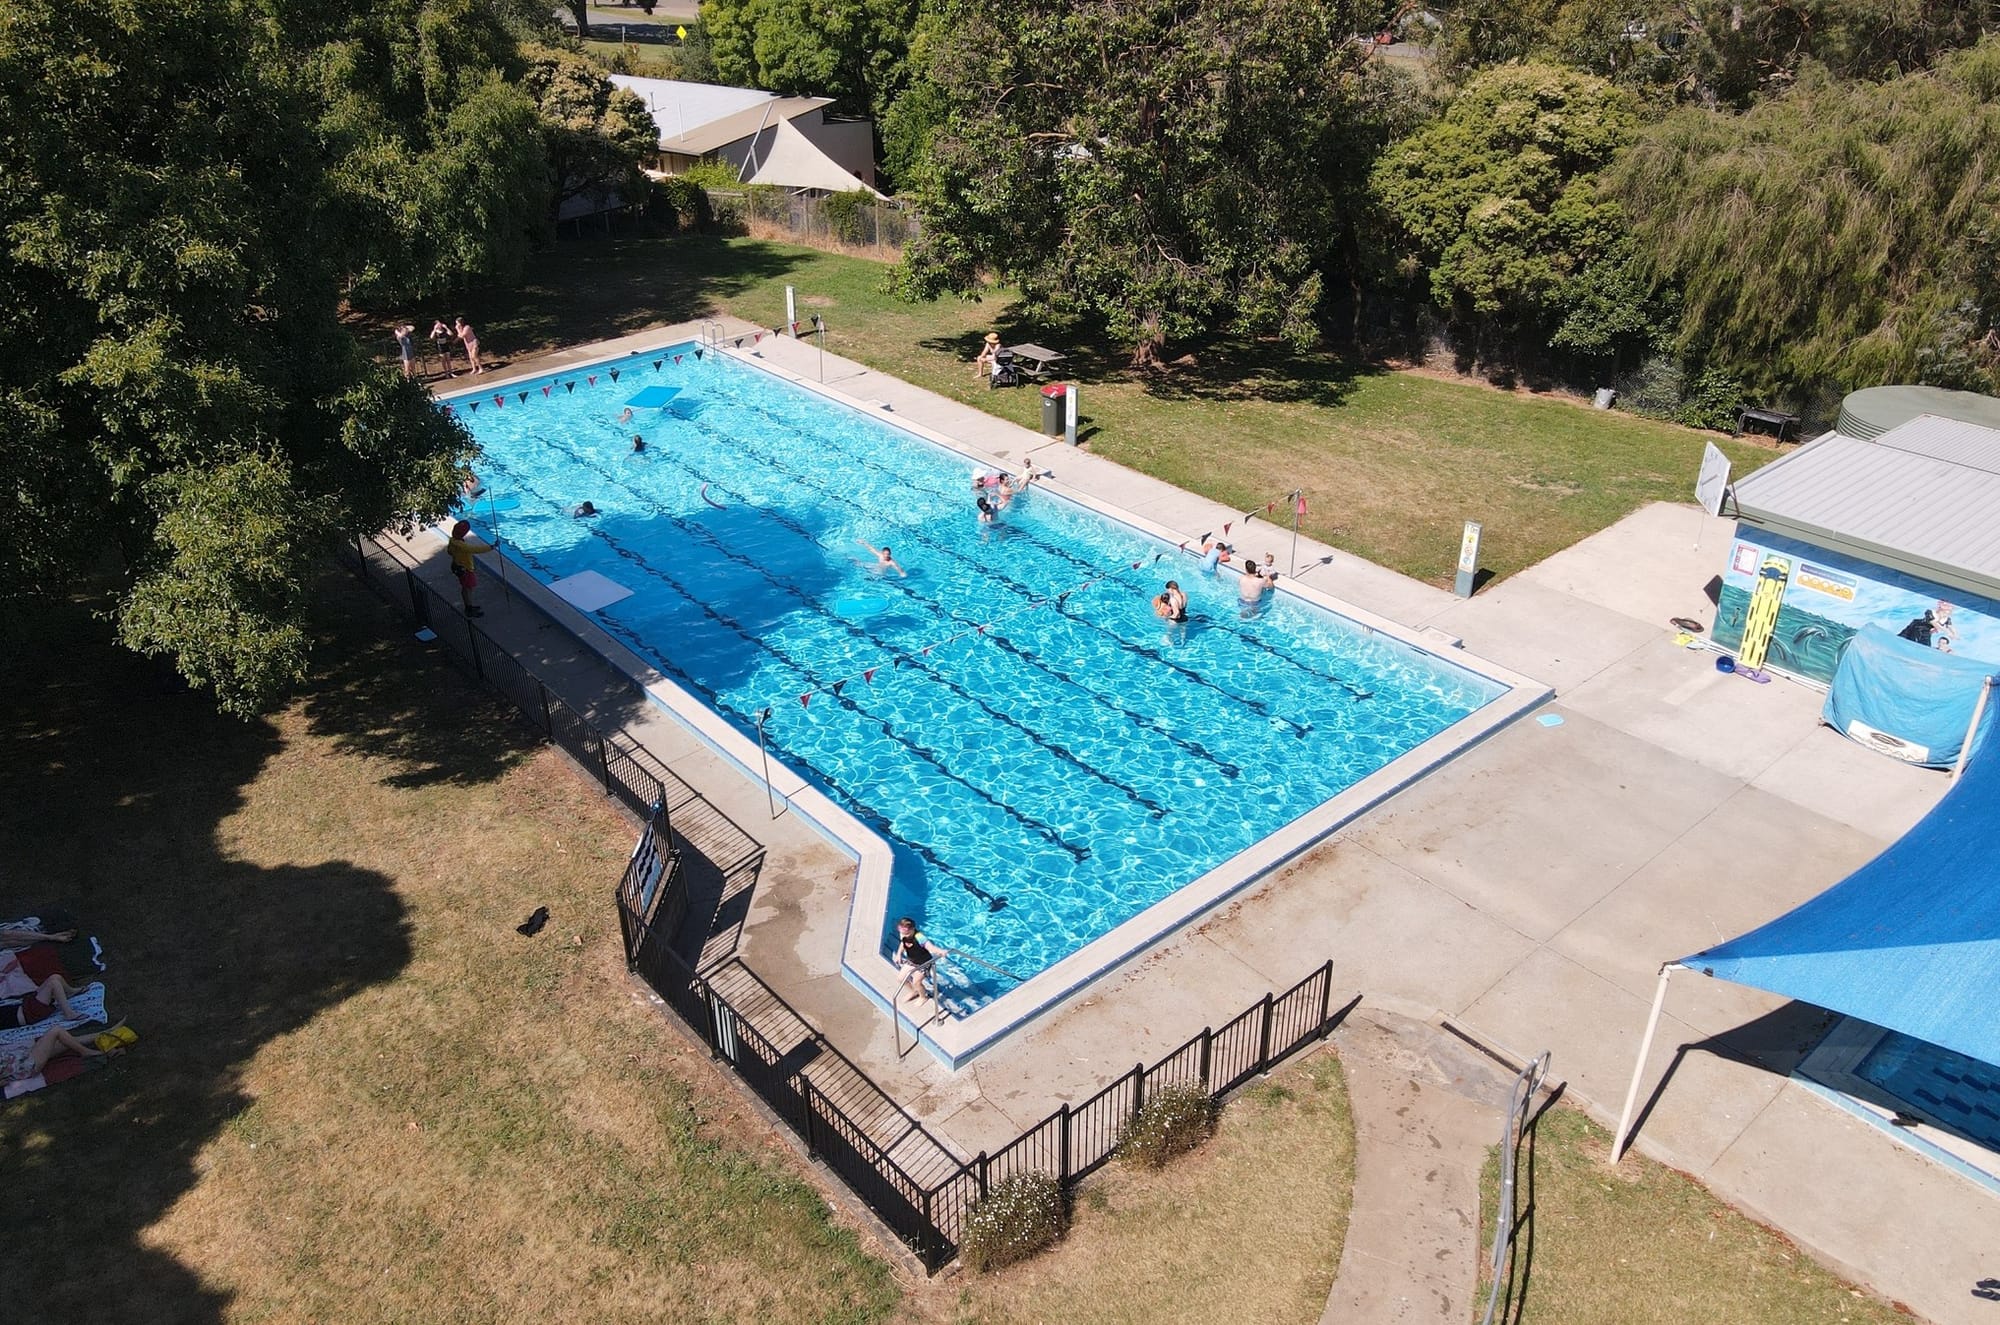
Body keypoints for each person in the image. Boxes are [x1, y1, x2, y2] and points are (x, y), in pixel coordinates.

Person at [3, 1021, 128, 1087]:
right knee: (55, 1031)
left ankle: (109, 1033)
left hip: (24, 1055)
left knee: (70, 1041)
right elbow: (3, 1082)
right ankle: (86, 1052)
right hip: (28, 1064)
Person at [0, 972, 88, 1029]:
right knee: (54, 984)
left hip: (25, 1005)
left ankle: (70, 992)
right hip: (29, 1014)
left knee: (55, 977)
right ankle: (68, 1013)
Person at [447, 519, 494, 617]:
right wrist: (491, 547)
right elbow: (475, 549)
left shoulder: (452, 541)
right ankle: (469, 608)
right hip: (466, 569)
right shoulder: (462, 545)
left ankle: (469, 606)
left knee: (466, 588)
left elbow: (450, 552)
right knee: (468, 588)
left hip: (458, 566)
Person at [893, 917, 937, 1003]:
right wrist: (899, 954)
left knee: (916, 982)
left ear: (913, 929)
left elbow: (930, 946)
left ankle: (923, 997)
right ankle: (913, 991)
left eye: (906, 933)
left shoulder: (920, 937)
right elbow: (903, 943)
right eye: (902, 933)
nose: (904, 935)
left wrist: (940, 951)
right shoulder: (904, 934)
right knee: (900, 979)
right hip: (912, 961)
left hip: (924, 963)